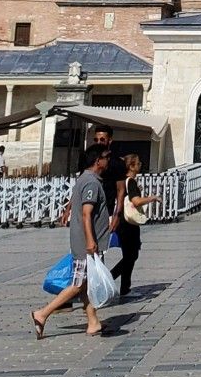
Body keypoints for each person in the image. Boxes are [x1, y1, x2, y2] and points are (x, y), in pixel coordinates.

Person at [32, 139, 114, 340]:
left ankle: (93, 323)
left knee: (87, 284)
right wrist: (90, 241)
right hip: (86, 244)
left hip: (84, 241)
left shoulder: (85, 179)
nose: (109, 161)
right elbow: (87, 213)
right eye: (106, 158)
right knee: (78, 285)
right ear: (97, 161)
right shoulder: (92, 183)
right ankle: (42, 314)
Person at [117, 154, 151, 297]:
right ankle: (122, 286)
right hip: (128, 223)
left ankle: (123, 285)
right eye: (138, 163)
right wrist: (152, 198)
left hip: (123, 222)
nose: (140, 165)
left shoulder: (122, 181)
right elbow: (136, 201)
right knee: (130, 255)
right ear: (131, 166)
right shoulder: (130, 182)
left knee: (130, 254)